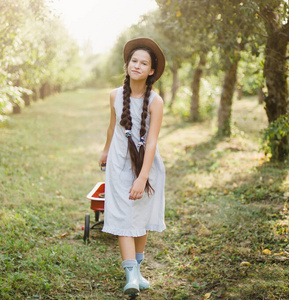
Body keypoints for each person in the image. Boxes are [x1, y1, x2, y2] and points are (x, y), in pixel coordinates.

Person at [98, 37, 166, 296]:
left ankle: (138, 271)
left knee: (140, 217)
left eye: (143, 63)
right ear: (127, 65)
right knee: (122, 215)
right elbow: (112, 126)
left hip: (146, 166)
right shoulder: (115, 95)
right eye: (133, 61)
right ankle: (130, 276)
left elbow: (151, 142)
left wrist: (143, 177)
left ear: (151, 71)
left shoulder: (155, 102)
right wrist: (105, 150)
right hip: (119, 162)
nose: (137, 65)